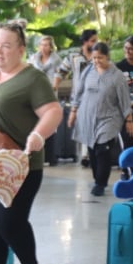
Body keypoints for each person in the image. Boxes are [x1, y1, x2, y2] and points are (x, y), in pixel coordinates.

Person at [0, 23, 62, 264]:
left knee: (8, 223)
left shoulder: (33, 78)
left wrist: (37, 134)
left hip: (17, 166)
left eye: (6, 45)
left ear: (21, 49)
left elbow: (54, 112)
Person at [68, 42, 132, 197]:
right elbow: (79, 91)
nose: (96, 61)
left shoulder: (116, 75)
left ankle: (100, 183)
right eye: (94, 58)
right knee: (92, 149)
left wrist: (129, 119)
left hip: (109, 117)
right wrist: (73, 111)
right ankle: (98, 178)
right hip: (88, 117)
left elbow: (124, 99)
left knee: (102, 150)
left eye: (100, 58)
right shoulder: (88, 71)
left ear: (107, 57)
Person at [54, 29, 98, 166]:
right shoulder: (73, 57)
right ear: (85, 42)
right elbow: (61, 72)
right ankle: (85, 155)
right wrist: (54, 87)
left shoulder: (99, 56)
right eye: (93, 41)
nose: (95, 43)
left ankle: (91, 153)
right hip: (79, 97)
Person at [29, 35, 62, 166]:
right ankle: (37, 155)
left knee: (50, 123)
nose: (44, 47)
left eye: (47, 45)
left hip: (50, 93)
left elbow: (60, 74)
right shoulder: (33, 59)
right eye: (42, 44)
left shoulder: (56, 60)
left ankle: (51, 156)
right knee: (36, 123)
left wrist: (54, 85)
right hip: (35, 93)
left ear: (51, 47)